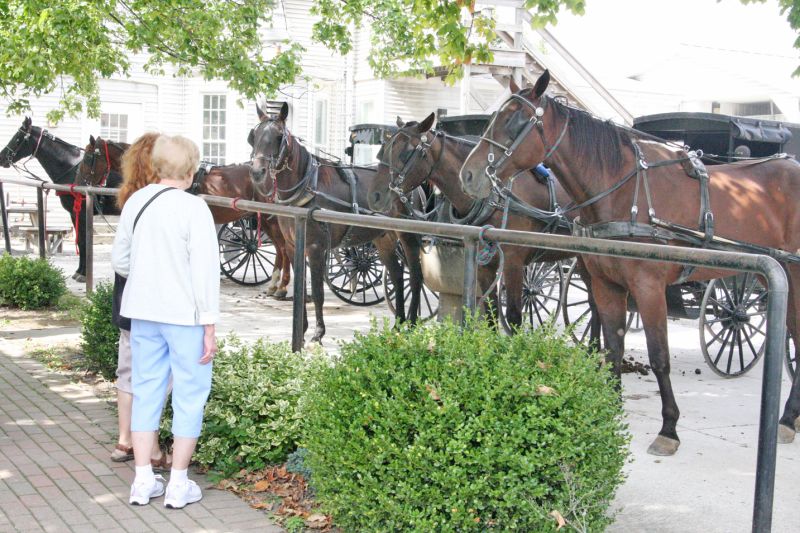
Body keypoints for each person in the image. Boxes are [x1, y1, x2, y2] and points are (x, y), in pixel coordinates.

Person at [111, 134, 220, 509]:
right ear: (190, 171)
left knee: (146, 389)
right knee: (190, 395)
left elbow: (121, 263)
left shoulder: (136, 202)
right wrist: (210, 324)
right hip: (184, 316)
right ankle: (177, 483)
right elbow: (205, 272)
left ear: (156, 166)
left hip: (142, 312)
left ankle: (142, 480)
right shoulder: (195, 209)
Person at [109, 133, 171, 473]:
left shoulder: (130, 198)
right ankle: (151, 445)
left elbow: (120, 261)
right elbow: (125, 260)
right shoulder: (166, 202)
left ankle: (125, 439)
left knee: (129, 368)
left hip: (128, 298)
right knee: (159, 374)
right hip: (153, 300)